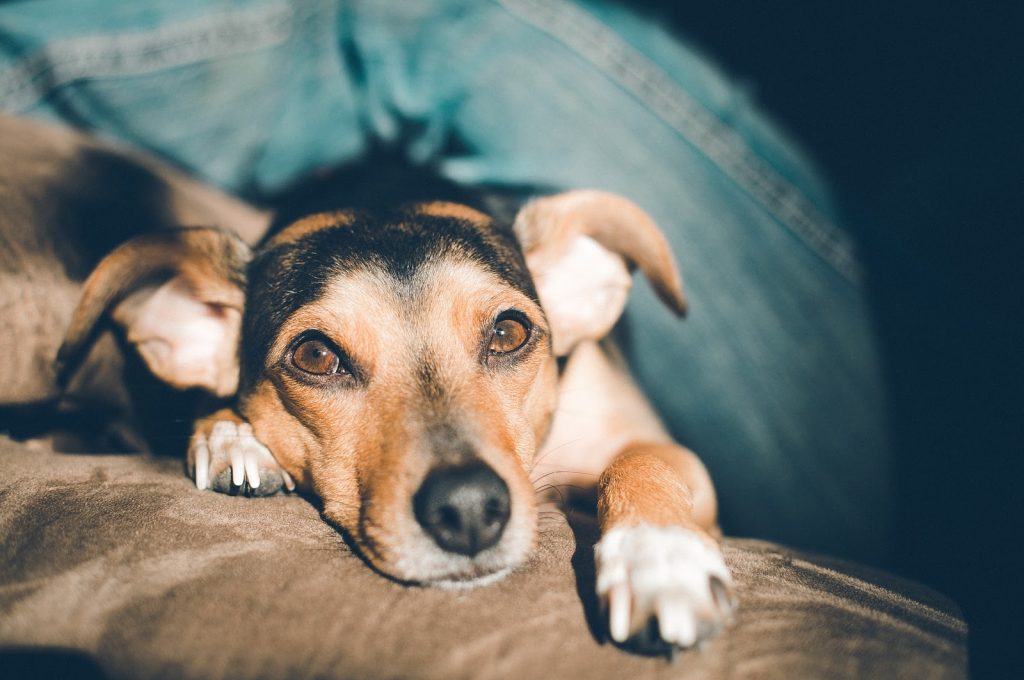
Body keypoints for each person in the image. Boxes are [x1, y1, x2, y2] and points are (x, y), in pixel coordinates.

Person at [0, 0, 891, 564]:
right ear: (194, 332)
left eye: (502, 337)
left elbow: (659, 462)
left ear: (580, 290)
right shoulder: (233, 335)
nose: (459, 471)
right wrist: (236, 415)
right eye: (322, 355)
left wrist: (648, 505)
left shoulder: (556, 315)